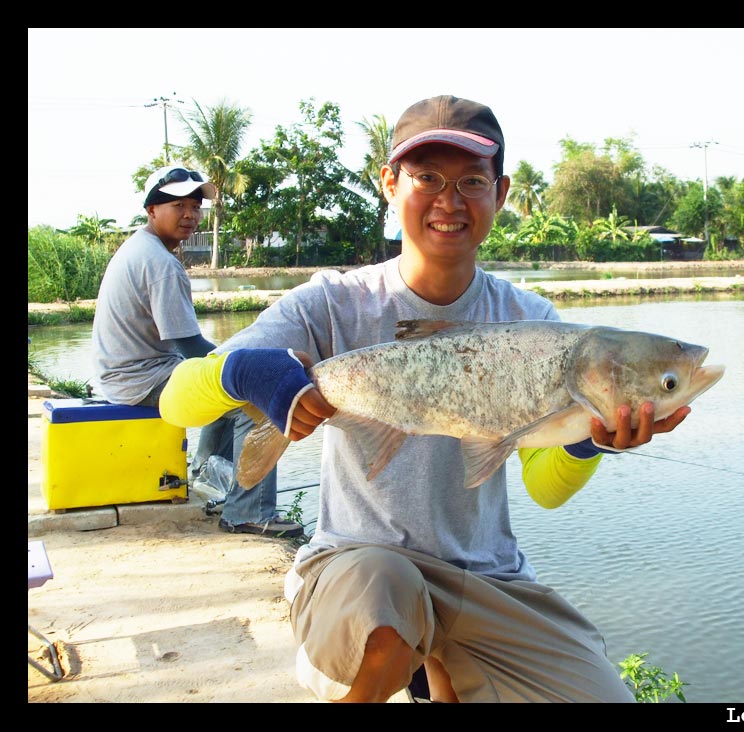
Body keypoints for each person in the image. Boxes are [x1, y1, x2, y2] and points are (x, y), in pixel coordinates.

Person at [160, 95, 689, 702]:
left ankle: (451, 674)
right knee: (386, 607)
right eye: (427, 178)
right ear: (389, 183)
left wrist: (589, 441)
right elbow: (177, 402)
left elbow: (544, 489)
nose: (449, 200)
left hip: (489, 578)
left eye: (471, 181)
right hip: (362, 565)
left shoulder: (531, 321)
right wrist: (247, 374)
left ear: (502, 191)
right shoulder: (331, 303)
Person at [91, 164, 303, 538]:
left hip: (125, 374)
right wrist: (247, 367)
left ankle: (210, 476)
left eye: (195, 206)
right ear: (152, 209)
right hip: (139, 380)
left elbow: (191, 354)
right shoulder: (160, 263)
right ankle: (247, 511)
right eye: (178, 205)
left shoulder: (140, 247)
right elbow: (190, 347)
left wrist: (232, 363)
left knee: (224, 382)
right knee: (257, 399)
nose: (189, 215)